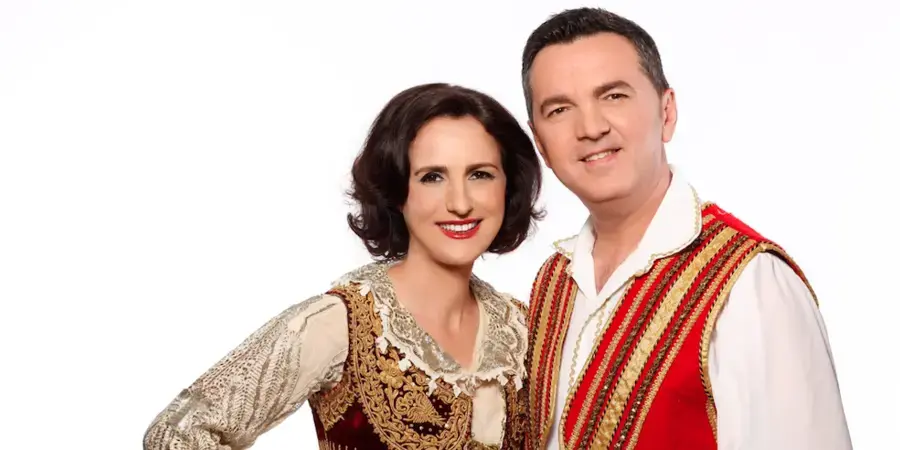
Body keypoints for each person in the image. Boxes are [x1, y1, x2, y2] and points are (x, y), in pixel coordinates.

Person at [142, 82, 544, 449]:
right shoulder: (342, 324)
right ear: (397, 192)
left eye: (480, 174)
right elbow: (176, 434)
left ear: (508, 187)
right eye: (432, 177)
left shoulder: (524, 330)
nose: (460, 202)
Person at [519, 7, 851, 450]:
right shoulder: (553, 283)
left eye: (614, 96)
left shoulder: (749, 282)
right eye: (560, 109)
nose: (591, 128)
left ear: (667, 111)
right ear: (540, 142)